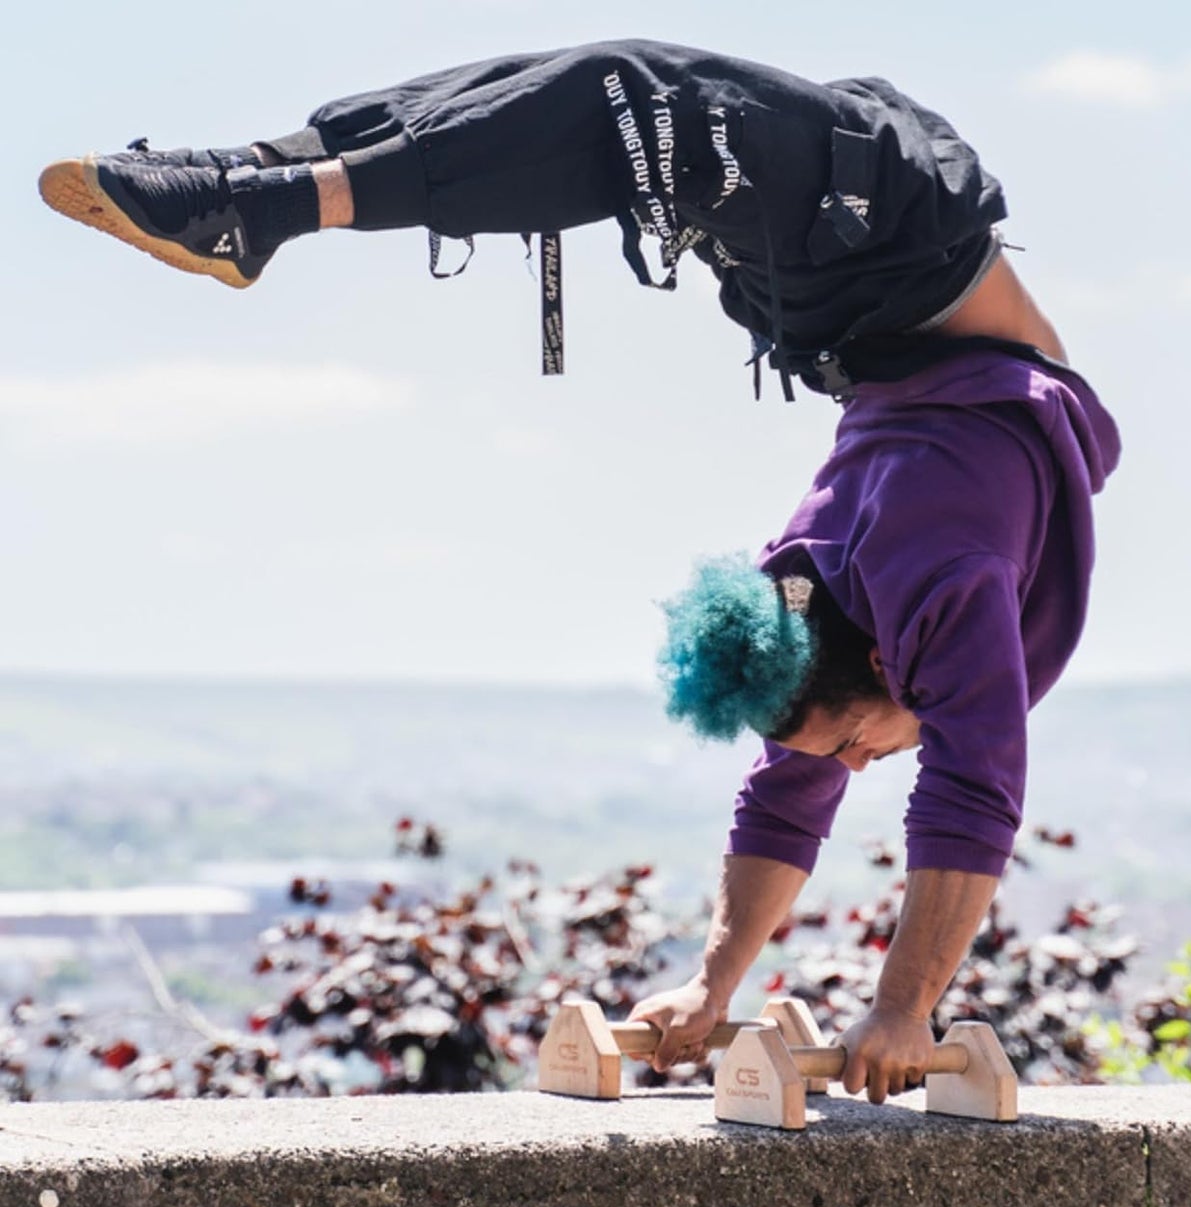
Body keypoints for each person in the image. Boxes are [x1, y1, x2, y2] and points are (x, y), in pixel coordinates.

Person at [39, 38, 1120, 1103]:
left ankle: (259, 195)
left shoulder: (810, 603)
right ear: (886, 656)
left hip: (850, 315)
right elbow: (967, 791)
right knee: (620, 102)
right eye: (847, 743)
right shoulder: (934, 591)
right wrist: (876, 1003)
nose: (856, 761)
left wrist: (770, 991)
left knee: (613, 109)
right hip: (900, 250)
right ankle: (254, 189)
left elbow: (790, 786)